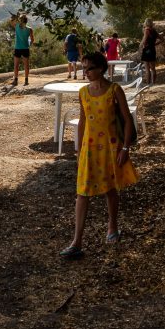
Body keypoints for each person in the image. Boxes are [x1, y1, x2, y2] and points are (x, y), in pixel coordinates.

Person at [61, 55, 140, 260]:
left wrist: (125, 148)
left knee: (110, 189)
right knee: (82, 193)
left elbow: (127, 120)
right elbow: (82, 122)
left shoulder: (114, 90)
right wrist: (78, 150)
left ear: (101, 69)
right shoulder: (83, 93)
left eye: (89, 69)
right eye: (83, 68)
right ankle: (77, 241)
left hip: (111, 148)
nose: (85, 72)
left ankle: (112, 226)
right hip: (89, 149)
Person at [8, 14, 33, 87]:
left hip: (17, 48)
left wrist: (14, 17)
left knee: (16, 66)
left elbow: (11, 22)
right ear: (26, 21)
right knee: (26, 66)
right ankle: (26, 80)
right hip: (25, 48)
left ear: (20, 20)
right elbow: (32, 40)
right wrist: (29, 45)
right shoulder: (30, 29)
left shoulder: (17, 26)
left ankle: (15, 80)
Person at [141, 20, 161, 86]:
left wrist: (142, 45)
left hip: (147, 50)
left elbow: (144, 41)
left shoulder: (146, 30)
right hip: (152, 49)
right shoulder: (154, 31)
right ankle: (153, 83)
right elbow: (162, 39)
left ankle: (148, 84)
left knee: (147, 69)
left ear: (146, 23)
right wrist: (154, 44)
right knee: (153, 68)